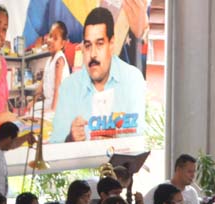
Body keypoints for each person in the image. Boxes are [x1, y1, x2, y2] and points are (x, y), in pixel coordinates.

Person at [49, 7, 147, 143]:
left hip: (120, 163)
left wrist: (118, 138)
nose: (93, 54)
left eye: (99, 44)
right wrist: (70, 138)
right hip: (82, 163)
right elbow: (55, 146)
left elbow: (139, 140)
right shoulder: (69, 87)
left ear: (111, 44)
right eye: (88, 45)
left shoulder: (132, 79)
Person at [36, 21, 70, 117]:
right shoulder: (49, 61)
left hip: (59, 103)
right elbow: (42, 85)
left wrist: (53, 110)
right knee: (32, 111)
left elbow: (58, 87)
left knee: (43, 117)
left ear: (62, 44)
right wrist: (33, 101)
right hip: (49, 101)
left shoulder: (59, 59)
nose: (50, 40)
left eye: (55, 38)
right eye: (50, 36)